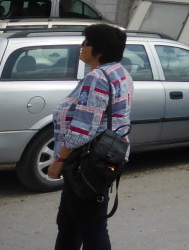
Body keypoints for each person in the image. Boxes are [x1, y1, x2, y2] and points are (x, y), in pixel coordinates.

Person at [48, 23, 133, 250]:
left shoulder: (97, 77)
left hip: (85, 163)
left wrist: (59, 161)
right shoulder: (120, 72)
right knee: (69, 223)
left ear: (100, 51)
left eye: (86, 43)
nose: (81, 46)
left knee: (91, 226)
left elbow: (82, 129)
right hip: (103, 157)